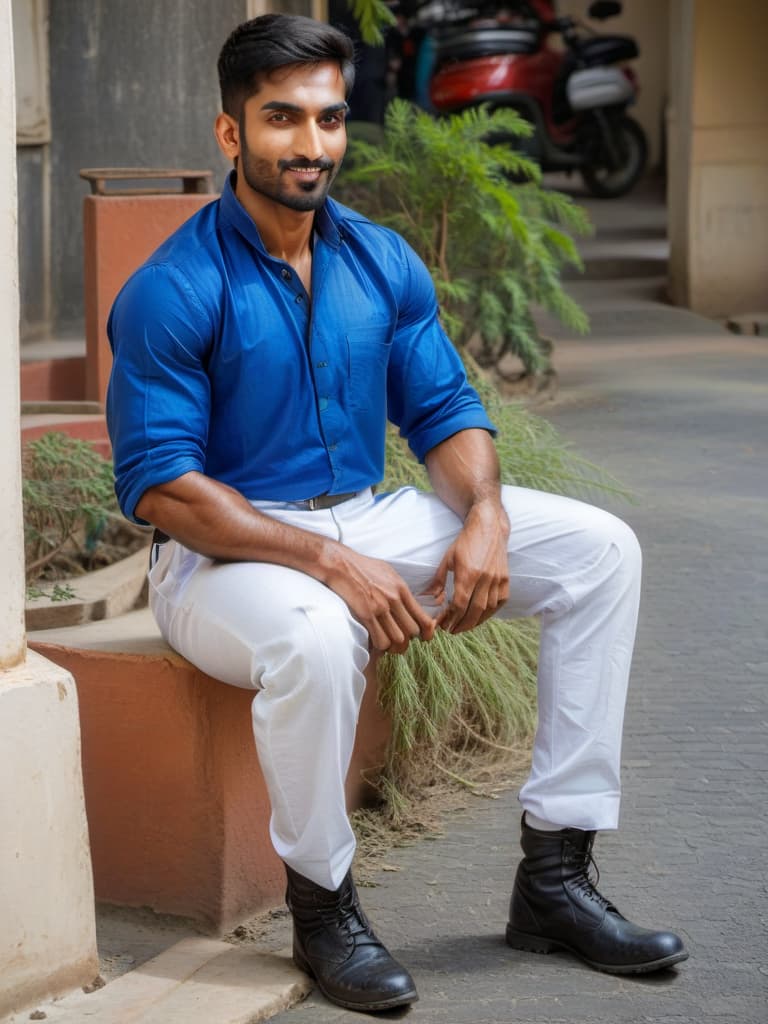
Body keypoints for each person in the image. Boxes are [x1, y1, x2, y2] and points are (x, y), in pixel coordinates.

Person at [106, 13, 688, 1014]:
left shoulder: (378, 260)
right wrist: (330, 565)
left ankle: (555, 875)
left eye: (329, 119)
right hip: (220, 559)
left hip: (368, 516)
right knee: (319, 637)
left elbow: (445, 409)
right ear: (231, 133)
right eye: (282, 118)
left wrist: (489, 514)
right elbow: (163, 487)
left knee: (602, 551)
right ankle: (323, 904)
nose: (312, 143)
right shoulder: (174, 287)